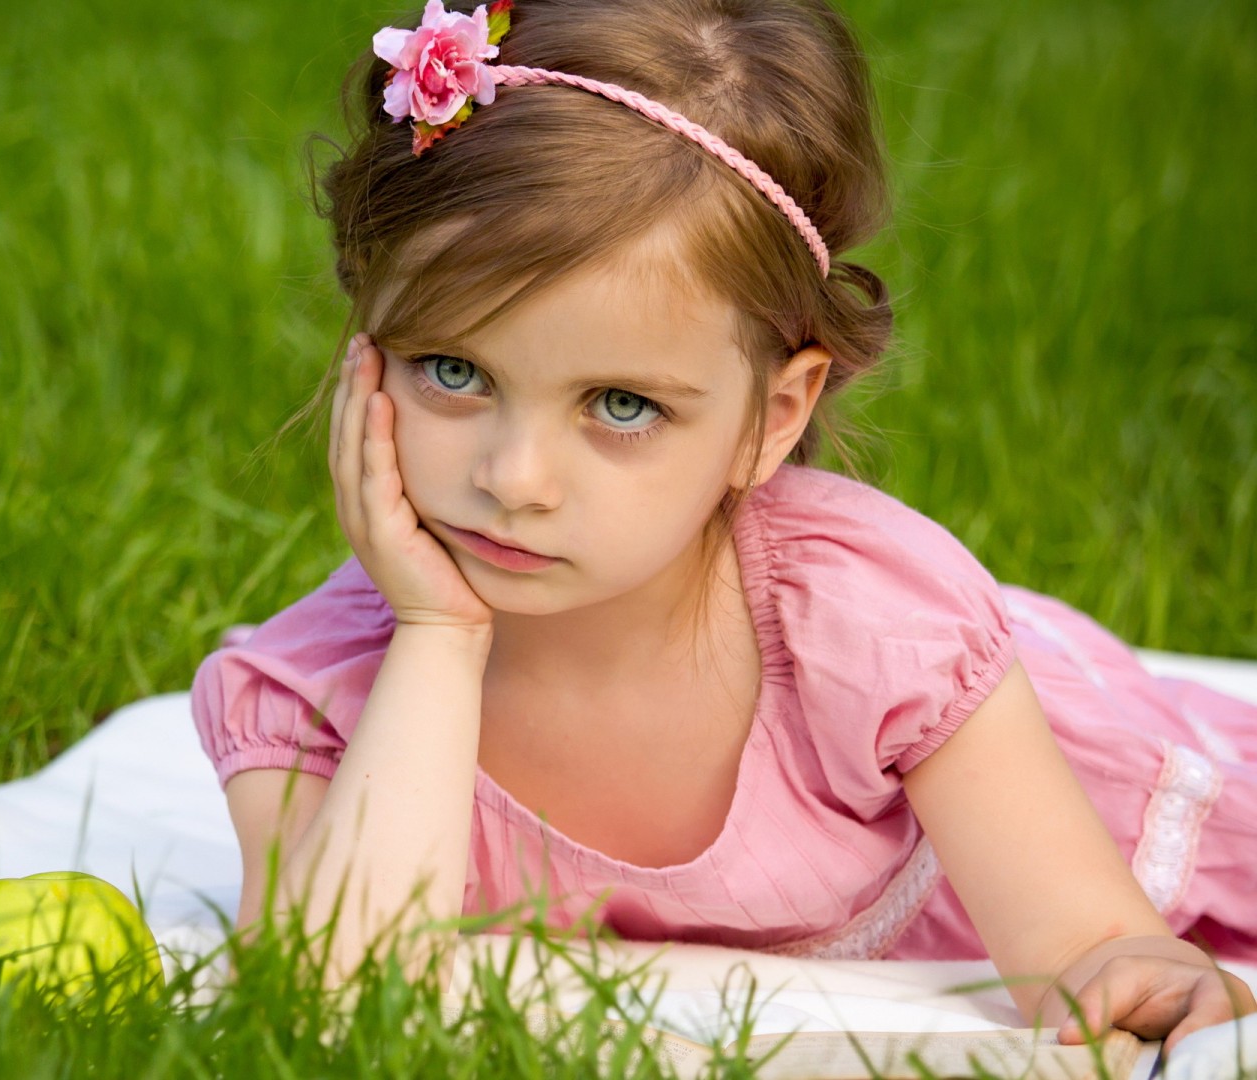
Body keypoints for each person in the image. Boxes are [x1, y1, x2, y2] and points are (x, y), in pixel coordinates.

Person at [188, 0, 1255, 1052]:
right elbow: (328, 1002)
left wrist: (1127, 962)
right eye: (453, 372)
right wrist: (436, 636)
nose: (514, 479)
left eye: (621, 405)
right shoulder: (315, 696)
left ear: (772, 418)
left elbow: (1090, 945)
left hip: (1054, 789)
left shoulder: (869, 630)